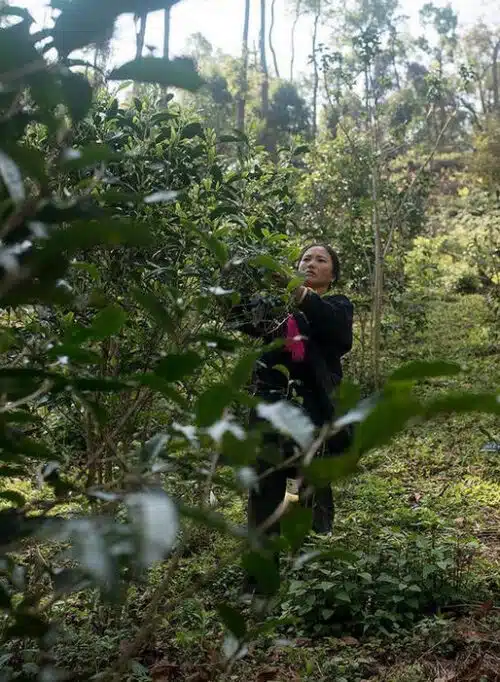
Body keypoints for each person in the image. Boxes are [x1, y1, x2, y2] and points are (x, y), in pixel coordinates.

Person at [231, 244, 354, 589]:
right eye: (305, 259)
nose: (311, 263)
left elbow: (338, 334)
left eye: (321, 260)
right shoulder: (275, 309)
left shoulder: (336, 306)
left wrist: (298, 293)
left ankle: (312, 579)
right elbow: (239, 317)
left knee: (311, 490)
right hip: (268, 410)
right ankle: (259, 582)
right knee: (263, 493)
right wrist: (238, 270)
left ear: (333, 274)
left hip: (312, 412)